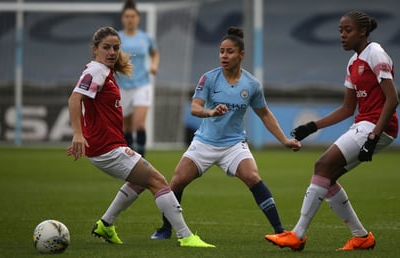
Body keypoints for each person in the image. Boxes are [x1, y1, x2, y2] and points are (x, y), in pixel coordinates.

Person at [67, 26, 214, 248]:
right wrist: (78, 133)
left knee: (139, 183)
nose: (112, 52)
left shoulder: (105, 71)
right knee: (158, 181)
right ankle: (186, 236)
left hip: (109, 146)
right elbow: (74, 99)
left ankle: (105, 224)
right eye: (106, 47)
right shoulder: (95, 71)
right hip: (106, 148)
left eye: (116, 48)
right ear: (94, 49)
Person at [150, 26, 302, 240]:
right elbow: (194, 107)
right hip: (205, 142)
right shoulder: (209, 79)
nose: (224, 55)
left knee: (252, 177)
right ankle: (165, 228)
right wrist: (210, 112)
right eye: (221, 51)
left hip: (234, 144)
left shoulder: (251, 84)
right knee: (176, 181)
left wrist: (284, 140)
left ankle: (280, 231)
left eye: (229, 51)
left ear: (241, 54)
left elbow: (265, 114)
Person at [265, 11, 399, 251]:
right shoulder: (352, 62)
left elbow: (392, 99)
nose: (342, 35)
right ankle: (361, 237)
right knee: (327, 177)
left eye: (347, 30)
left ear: (363, 32)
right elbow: (348, 108)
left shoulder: (375, 53)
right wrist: (313, 126)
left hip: (376, 126)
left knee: (322, 166)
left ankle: (297, 235)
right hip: (364, 124)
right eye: (340, 31)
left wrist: (374, 136)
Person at [117, 0, 160, 156]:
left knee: (139, 124)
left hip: (142, 84)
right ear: (123, 18)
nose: (130, 19)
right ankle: (130, 161)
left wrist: (154, 65)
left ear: (138, 18)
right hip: (122, 86)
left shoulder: (145, 38)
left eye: (133, 16)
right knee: (126, 128)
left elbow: (155, 54)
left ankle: (142, 159)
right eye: (127, 16)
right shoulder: (117, 38)